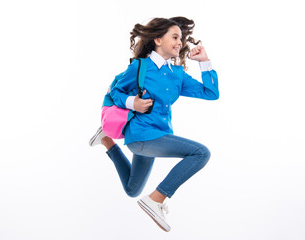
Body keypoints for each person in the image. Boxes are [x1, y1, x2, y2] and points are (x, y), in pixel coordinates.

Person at [89, 17, 219, 232]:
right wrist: (134, 102)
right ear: (158, 39)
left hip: (159, 135)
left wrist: (204, 62)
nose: (180, 42)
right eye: (175, 37)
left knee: (132, 189)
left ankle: (105, 139)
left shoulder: (176, 74)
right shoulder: (141, 66)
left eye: (181, 38)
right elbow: (114, 92)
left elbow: (211, 93)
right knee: (200, 153)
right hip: (141, 135)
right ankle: (156, 200)